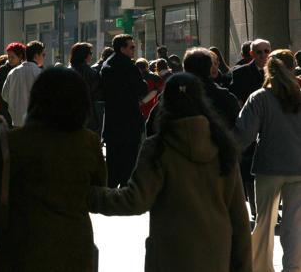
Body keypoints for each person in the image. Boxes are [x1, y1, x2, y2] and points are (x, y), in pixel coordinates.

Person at [91, 73, 252, 272]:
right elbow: (239, 220)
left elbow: (134, 200)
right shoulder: (222, 147)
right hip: (215, 251)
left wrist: (90, 195)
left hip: (170, 252)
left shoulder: (158, 147)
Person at [0, 67, 107, 271]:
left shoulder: (15, 141)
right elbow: (99, 189)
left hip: (23, 247)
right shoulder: (88, 142)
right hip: (74, 246)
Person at [235, 49, 301, 272]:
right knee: (294, 223)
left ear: (268, 70)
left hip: (269, 167)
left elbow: (244, 135)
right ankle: (293, 267)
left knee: (264, 222)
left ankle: (261, 267)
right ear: (293, 68)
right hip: (298, 167)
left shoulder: (260, 97)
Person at [230, 38, 271, 219]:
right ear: (252, 54)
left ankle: (268, 207)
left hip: (271, 128)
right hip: (250, 126)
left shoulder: (276, 72)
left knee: (270, 171)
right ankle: (255, 209)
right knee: (249, 171)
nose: (263, 55)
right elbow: (237, 100)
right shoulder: (240, 73)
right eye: (259, 52)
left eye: (266, 51)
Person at [100, 34, 147, 188]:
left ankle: (112, 188)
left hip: (112, 120)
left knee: (113, 158)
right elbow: (141, 88)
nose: (134, 50)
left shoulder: (107, 65)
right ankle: (124, 188)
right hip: (129, 119)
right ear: (122, 48)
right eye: (131, 47)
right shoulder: (128, 66)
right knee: (130, 157)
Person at [184, 48, 240, 128]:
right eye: (212, 64)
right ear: (209, 68)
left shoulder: (173, 95)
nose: (214, 67)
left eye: (216, 64)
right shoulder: (225, 97)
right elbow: (238, 129)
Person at [1, 41, 45, 127]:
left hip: (16, 122)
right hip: (35, 123)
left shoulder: (13, 72)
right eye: (43, 55)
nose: (44, 58)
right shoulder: (40, 73)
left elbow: (4, 95)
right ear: (36, 56)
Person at [0, 42, 26, 127]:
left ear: (20, 56)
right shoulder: (3, 70)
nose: (9, 59)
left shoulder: (24, 70)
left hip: (21, 110)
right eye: (9, 57)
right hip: (5, 110)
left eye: (12, 57)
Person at [69, 42, 100, 131]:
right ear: (84, 55)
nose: (91, 56)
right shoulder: (92, 73)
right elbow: (96, 93)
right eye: (90, 53)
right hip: (87, 114)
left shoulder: (67, 72)